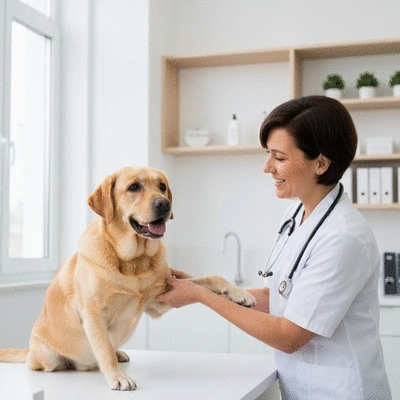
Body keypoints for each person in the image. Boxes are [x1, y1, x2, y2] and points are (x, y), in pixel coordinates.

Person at [156, 95, 392, 399]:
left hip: (341, 391)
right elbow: (276, 296)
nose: (267, 167)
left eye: (279, 157)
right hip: (303, 387)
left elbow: (288, 336)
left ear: (321, 163)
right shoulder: (296, 214)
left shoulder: (343, 237)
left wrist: (201, 296)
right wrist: (202, 285)